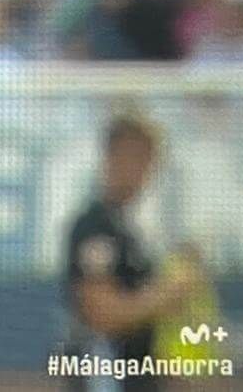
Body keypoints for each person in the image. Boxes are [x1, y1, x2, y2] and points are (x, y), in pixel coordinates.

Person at [62, 114, 202, 391]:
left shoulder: (131, 230)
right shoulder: (95, 228)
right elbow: (101, 313)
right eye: (135, 158)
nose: (143, 170)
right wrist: (166, 294)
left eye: (148, 161)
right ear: (111, 158)